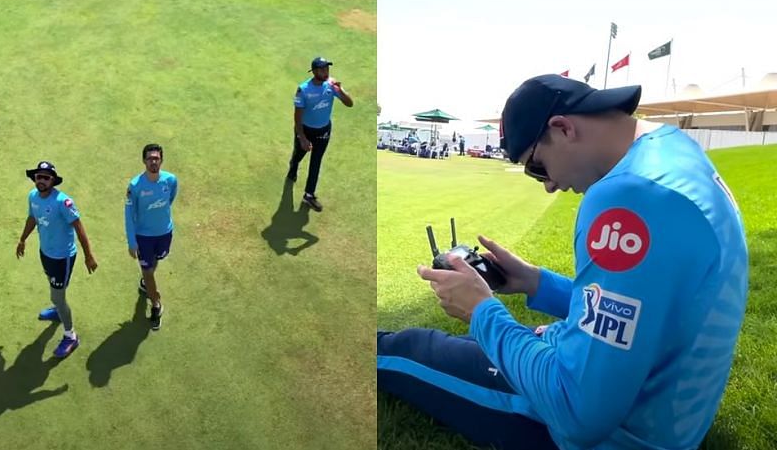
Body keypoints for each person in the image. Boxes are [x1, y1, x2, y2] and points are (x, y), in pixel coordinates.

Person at [377, 74, 749, 449]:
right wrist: (535, 282)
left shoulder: (627, 197)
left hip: (620, 433)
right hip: (664, 414)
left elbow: (576, 412)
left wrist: (481, 311)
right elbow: (648, 312)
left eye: (537, 165)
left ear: (562, 128)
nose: (549, 184)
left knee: (412, 348)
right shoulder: (674, 151)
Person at [16, 161, 98, 359]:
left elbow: (79, 227)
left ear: (53, 181)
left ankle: (71, 336)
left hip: (63, 257)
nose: (42, 180)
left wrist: (88, 255)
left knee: (58, 295)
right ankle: (58, 309)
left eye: (46, 177)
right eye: (39, 176)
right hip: (46, 253)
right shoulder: (33, 197)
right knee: (55, 290)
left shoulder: (63, 202)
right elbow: (32, 218)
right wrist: (22, 239)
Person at [287, 56, 354, 212]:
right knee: (299, 155)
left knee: (316, 161)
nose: (326, 72)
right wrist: (302, 138)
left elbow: (350, 104)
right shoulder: (303, 89)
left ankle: (309, 195)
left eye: (327, 69)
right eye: (322, 69)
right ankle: (293, 166)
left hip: (323, 130)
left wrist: (341, 91)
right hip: (306, 130)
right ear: (315, 71)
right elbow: (297, 116)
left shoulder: (331, 85)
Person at [125, 143, 178, 331]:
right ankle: (156, 304)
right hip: (144, 237)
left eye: (156, 158)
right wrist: (132, 242)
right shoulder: (135, 186)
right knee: (148, 270)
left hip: (164, 233)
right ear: (144, 161)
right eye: (149, 158)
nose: (153, 161)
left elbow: (170, 199)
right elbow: (129, 214)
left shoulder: (170, 180)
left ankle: (145, 283)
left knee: (154, 263)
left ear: (161, 159)